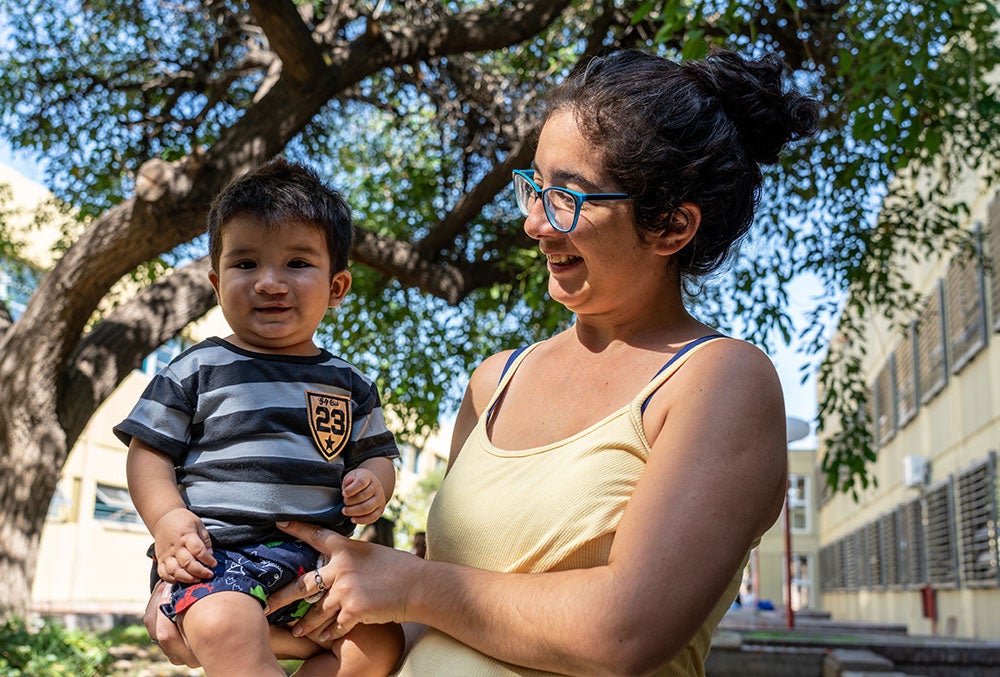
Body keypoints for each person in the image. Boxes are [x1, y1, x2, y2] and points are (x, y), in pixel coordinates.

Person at [148, 48, 818, 676]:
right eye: (535, 187)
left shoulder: (720, 380)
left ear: (672, 227)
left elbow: (624, 631)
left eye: (568, 197)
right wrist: (223, 605)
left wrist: (406, 581)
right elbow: (430, 617)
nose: (534, 223)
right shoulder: (496, 380)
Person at [118, 159, 405, 677]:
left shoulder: (349, 384)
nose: (270, 283)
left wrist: (373, 485)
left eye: (297, 263)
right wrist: (168, 522)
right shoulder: (197, 367)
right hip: (218, 556)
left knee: (379, 643)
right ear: (216, 281)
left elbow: (376, 456)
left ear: (337, 287)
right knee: (226, 625)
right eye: (246, 264)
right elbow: (149, 454)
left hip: (318, 565)